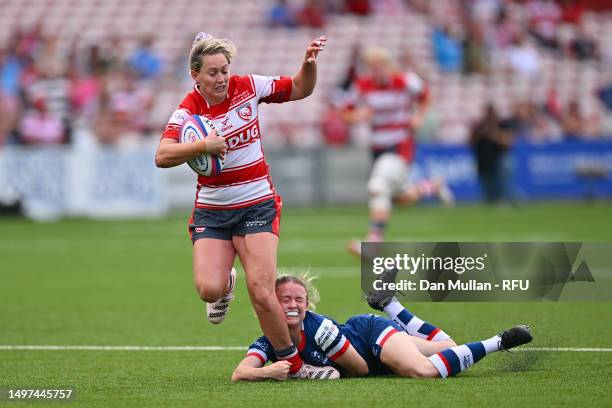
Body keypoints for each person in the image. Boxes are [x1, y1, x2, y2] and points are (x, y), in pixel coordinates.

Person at [155, 32, 330, 378]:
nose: (221, 79)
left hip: (256, 204)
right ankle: (226, 285)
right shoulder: (189, 108)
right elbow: (162, 155)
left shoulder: (248, 86)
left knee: (262, 291)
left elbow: (300, 88)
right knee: (209, 289)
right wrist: (203, 145)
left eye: (224, 70)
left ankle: (294, 366)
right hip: (213, 211)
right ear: (195, 76)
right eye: (212, 73)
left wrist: (308, 65)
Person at [232, 274, 533, 381]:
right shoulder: (268, 340)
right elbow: (239, 374)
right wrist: (265, 372)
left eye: (299, 299)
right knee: (449, 346)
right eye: (285, 300)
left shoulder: (320, 327)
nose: (293, 305)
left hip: (370, 337)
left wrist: (308, 373)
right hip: (374, 348)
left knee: (423, 371)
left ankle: (500, 342)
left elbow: (360, 369)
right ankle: (391, 305)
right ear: (272, 303)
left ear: (308, 304)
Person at [343, 47, 453, 257]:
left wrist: (419, 116)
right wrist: (358, 116)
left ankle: (373, 244)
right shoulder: (362, 86)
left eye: (381, 65)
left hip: (400, 145)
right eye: (372, 67)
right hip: (377, 147)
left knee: (377, 186)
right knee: (402, 198)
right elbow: (345, 112)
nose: (377, 71)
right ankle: (432, 186)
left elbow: (426, 96)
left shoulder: (405, 81)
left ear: (389, 65)